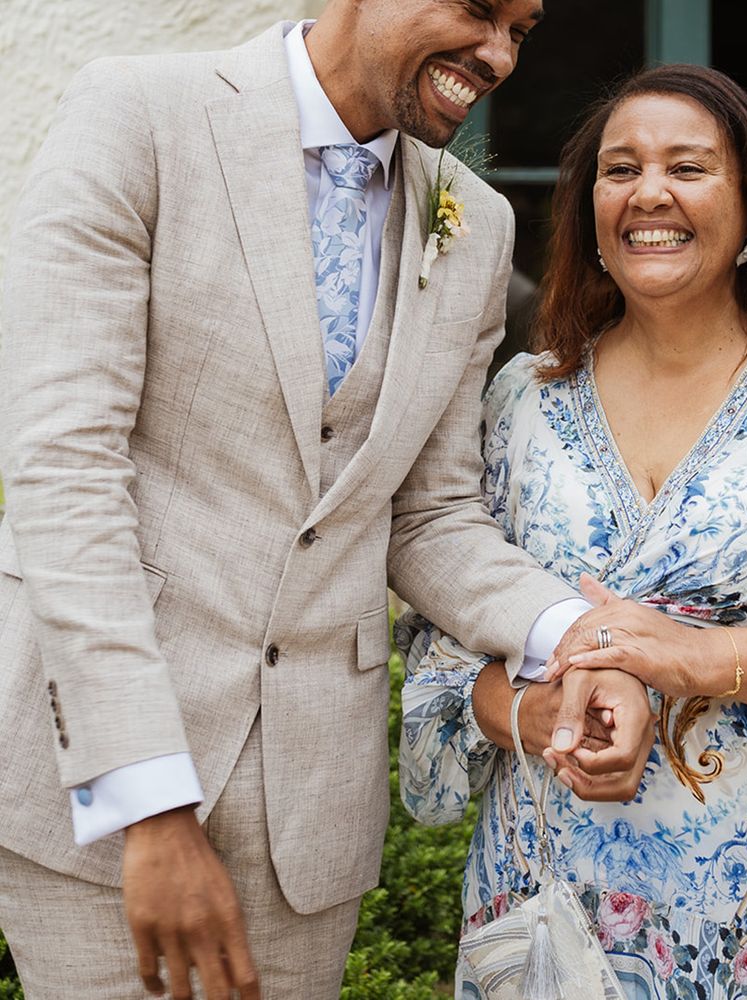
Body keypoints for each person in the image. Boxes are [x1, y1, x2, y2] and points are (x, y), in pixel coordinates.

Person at [0, 2, 656, 996]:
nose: (496, 54)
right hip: (99, 799)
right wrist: (150, 804)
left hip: (308, 825)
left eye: (520, 30)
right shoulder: (137, 116)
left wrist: (583, 634)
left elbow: (428, 517)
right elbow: (64, 472)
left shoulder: (473, 223)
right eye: (479, 10)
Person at [397, 63, 747, 999]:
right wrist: (531, 711)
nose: (648, 193)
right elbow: (439, 649)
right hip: (550, 913)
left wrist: (689, 659)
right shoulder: (522, 401)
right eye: (618, 170)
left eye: (689, 167)